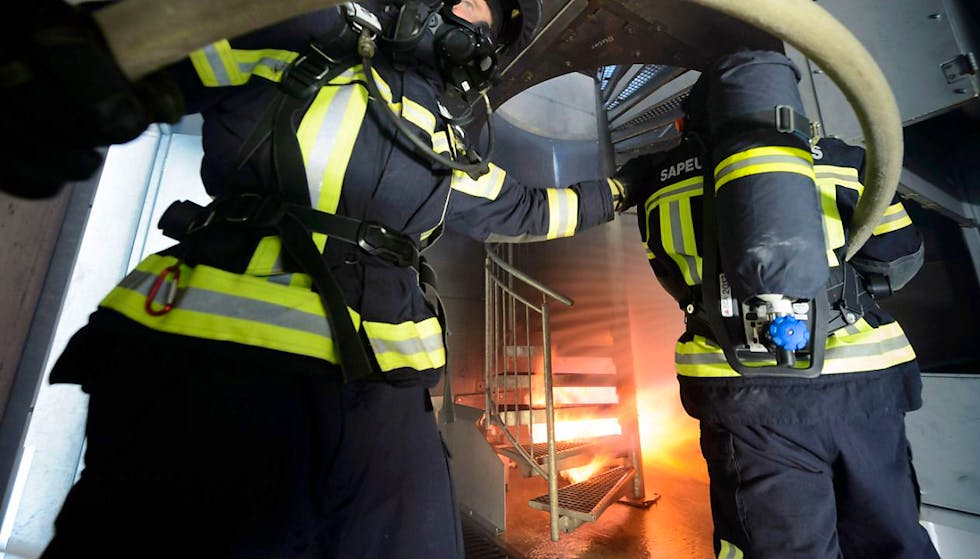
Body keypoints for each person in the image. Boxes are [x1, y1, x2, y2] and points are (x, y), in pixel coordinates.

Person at [1, 0, 623, 556]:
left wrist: (625, 189)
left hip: (384, 410)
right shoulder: (309, 35)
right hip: (212, 374)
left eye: (486, 7)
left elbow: (537, 212)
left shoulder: (451, 150)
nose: (465, 5)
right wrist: (74, 54)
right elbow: (159, 41)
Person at [614, 49, 940, 558]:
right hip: (862, 380)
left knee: (780, 547)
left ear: (688, 121)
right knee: (892, 538)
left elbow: (673, 279)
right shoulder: (841, 159)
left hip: (746, 395)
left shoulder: (658, 184)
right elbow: (900, 259)